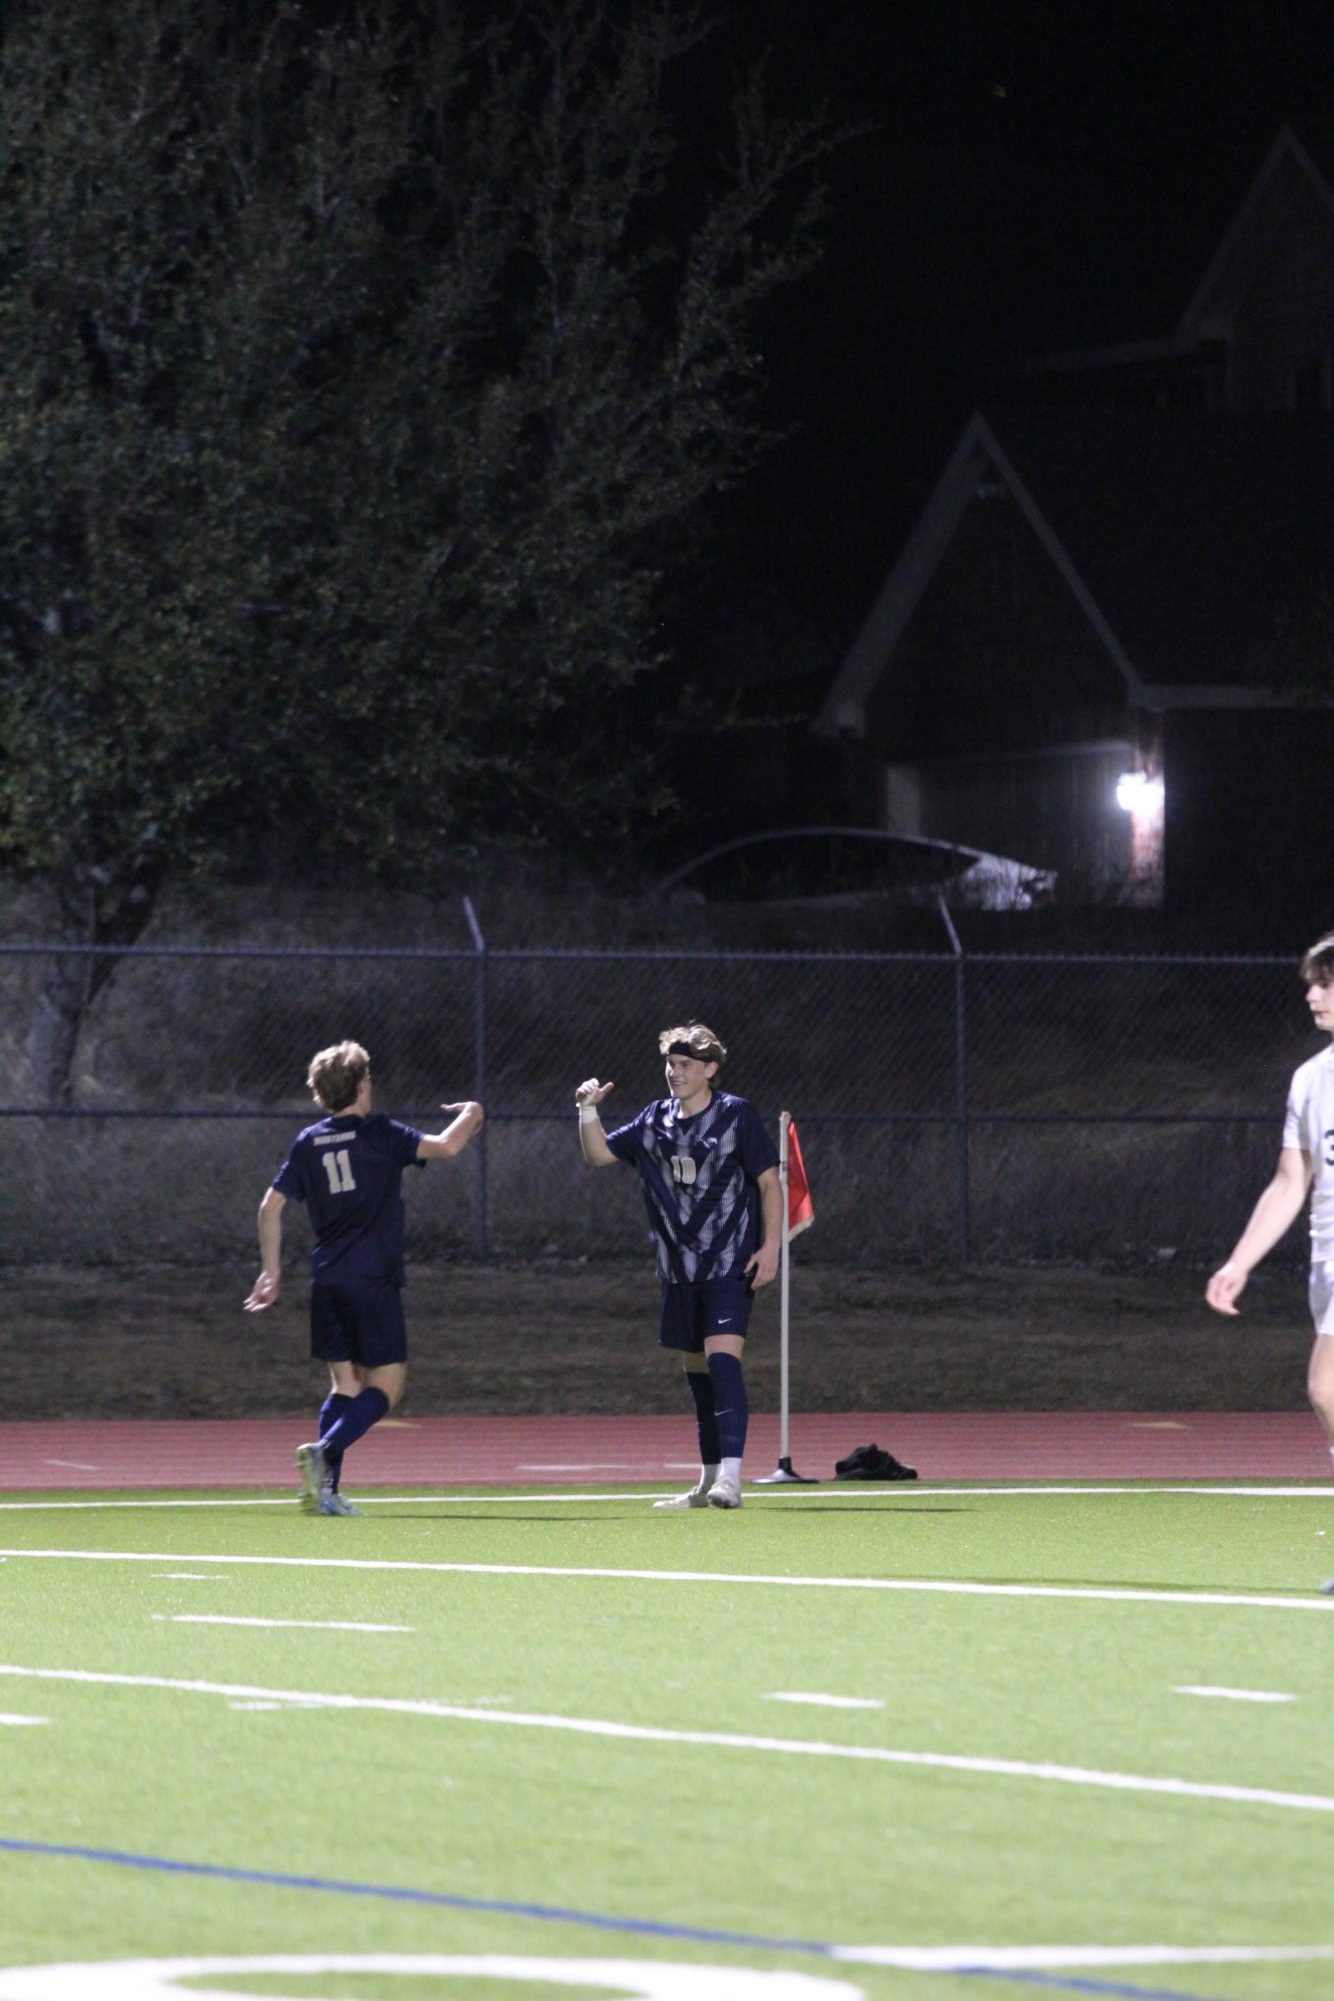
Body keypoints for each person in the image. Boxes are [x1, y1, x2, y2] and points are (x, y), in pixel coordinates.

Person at [244, 1039, 484, 1515]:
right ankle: (324, 1452)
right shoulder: (379, 1133)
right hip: (373, 1278)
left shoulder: (308, 1141)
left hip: (328, 1280)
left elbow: (271, 1206)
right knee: (387, 1386)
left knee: (345, 1386)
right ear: (359, 1085)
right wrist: (474, 1111)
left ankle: (325, 1493)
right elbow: (448, 1145)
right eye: (368, 1078)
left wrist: (270, 1271)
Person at [576, 1021, 781, 1509]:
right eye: (671, 1063)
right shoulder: (655, 1120)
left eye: (686, 1064)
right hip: (677, 1269)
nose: (675, 1072)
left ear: (710, 1069)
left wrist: (771, 1246)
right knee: (698, 1378)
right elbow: (599, 1154)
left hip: (729, 1262)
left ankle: (733, 1479)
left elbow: (771, 1183)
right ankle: (708, 1482)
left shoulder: (736, 1116)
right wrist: (586, 1110)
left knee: (723, 1361)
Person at [1205, 934, 1334, 1475]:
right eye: (1311, 984)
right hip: (1327, 1264)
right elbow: (1289, 1181)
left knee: (1326, 1387)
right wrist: (1239, 1262)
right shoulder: (1309, 1080)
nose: (1311, 995)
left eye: (1325, 983)